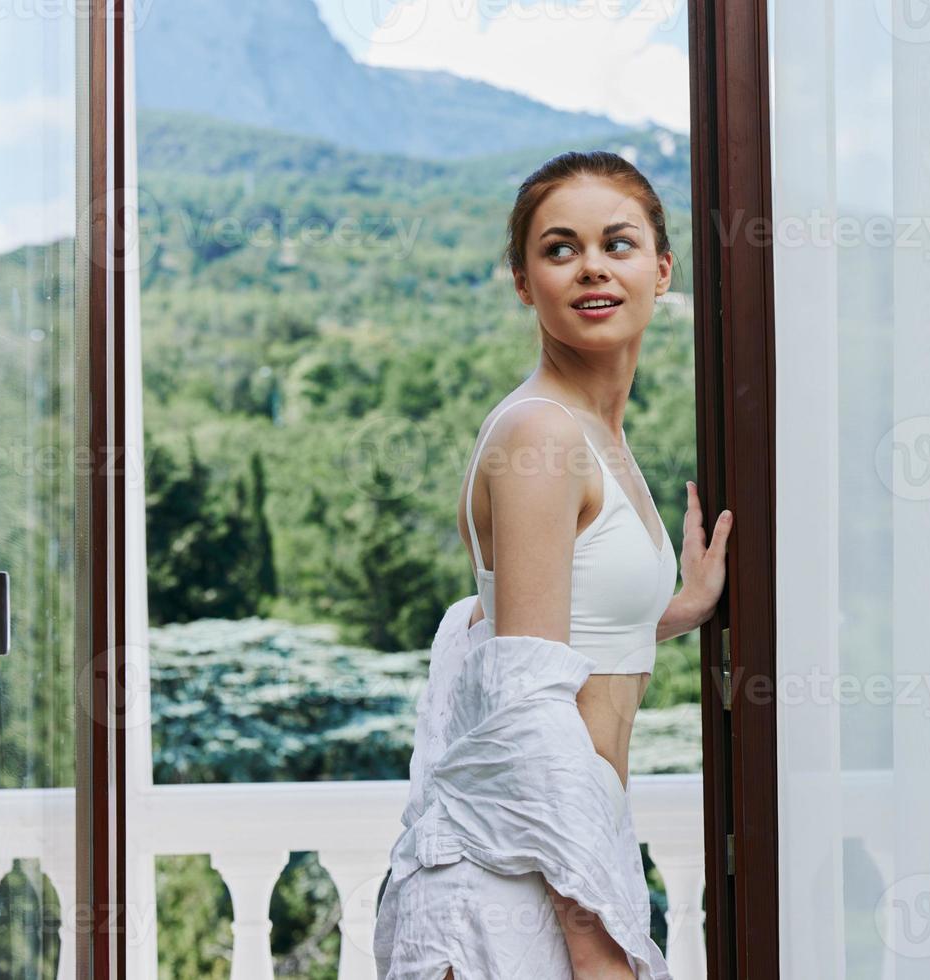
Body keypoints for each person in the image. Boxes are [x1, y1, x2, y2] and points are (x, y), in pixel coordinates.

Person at [373, 150, 732, 980]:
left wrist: (677, 607)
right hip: (520, 893)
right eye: (560, 249)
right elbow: (526, 705)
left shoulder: (592, 430)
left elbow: (537, 622)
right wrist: (596, 946)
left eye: (619, 243)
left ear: (661, 268)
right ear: (523, 281)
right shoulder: (541, 435)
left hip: (558, 863)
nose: (593, 268)